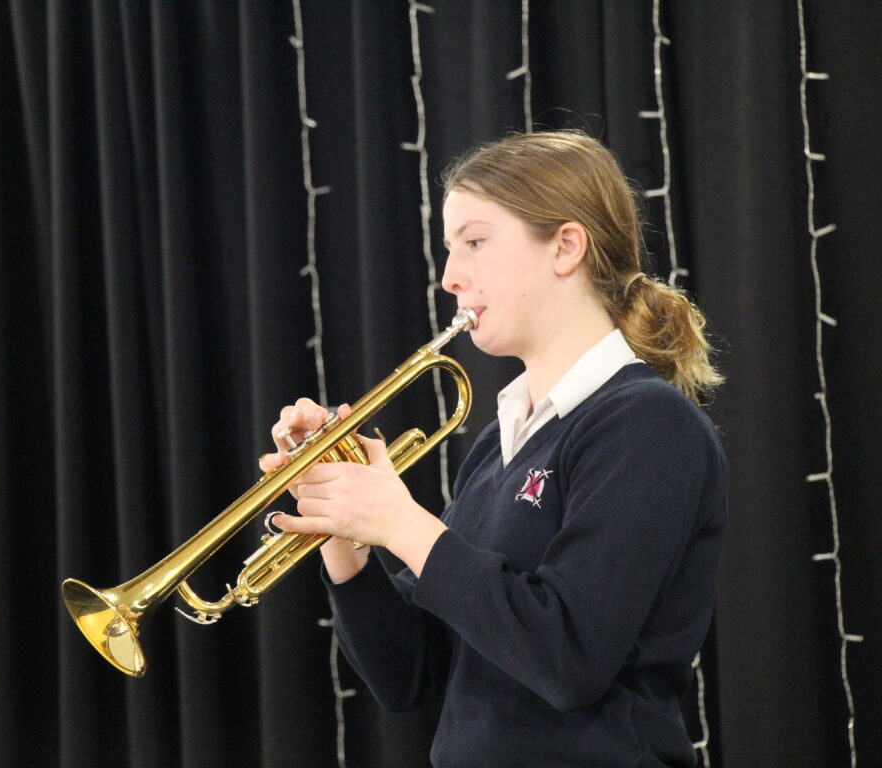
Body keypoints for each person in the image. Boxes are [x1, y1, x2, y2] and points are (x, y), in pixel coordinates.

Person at [259, 130, 727, 768]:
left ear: (565, 246)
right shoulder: (498, 440)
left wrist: (399, 519)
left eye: (475, 242)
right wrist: (344, 527)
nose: (450, 277)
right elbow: (410, 679)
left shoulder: (648, 424)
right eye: (449, 249)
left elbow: (567, 660)